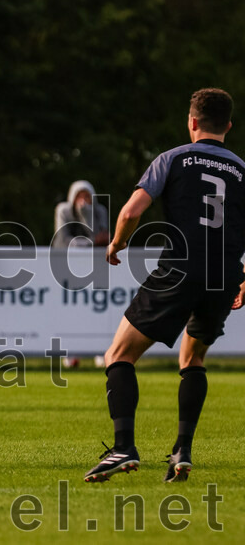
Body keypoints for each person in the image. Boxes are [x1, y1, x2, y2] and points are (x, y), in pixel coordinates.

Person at [84, 88, 245, 484]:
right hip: (223, 276)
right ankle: (182, 450)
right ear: (228, 125)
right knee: (193, 360)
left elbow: (131, 210)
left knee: (118, 355)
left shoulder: (172, 159)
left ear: (192, 122)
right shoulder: (242, 169)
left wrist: (118, 243)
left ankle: (123, 447)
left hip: (180, 269)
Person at [53, 180, 110, 247]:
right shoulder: (63, 211)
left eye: (86, 196)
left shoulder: (100, 211)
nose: (83, 201)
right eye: (79, 197)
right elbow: (62, 241)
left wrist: (87, 215)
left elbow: (102, 240)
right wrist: (93, 241)